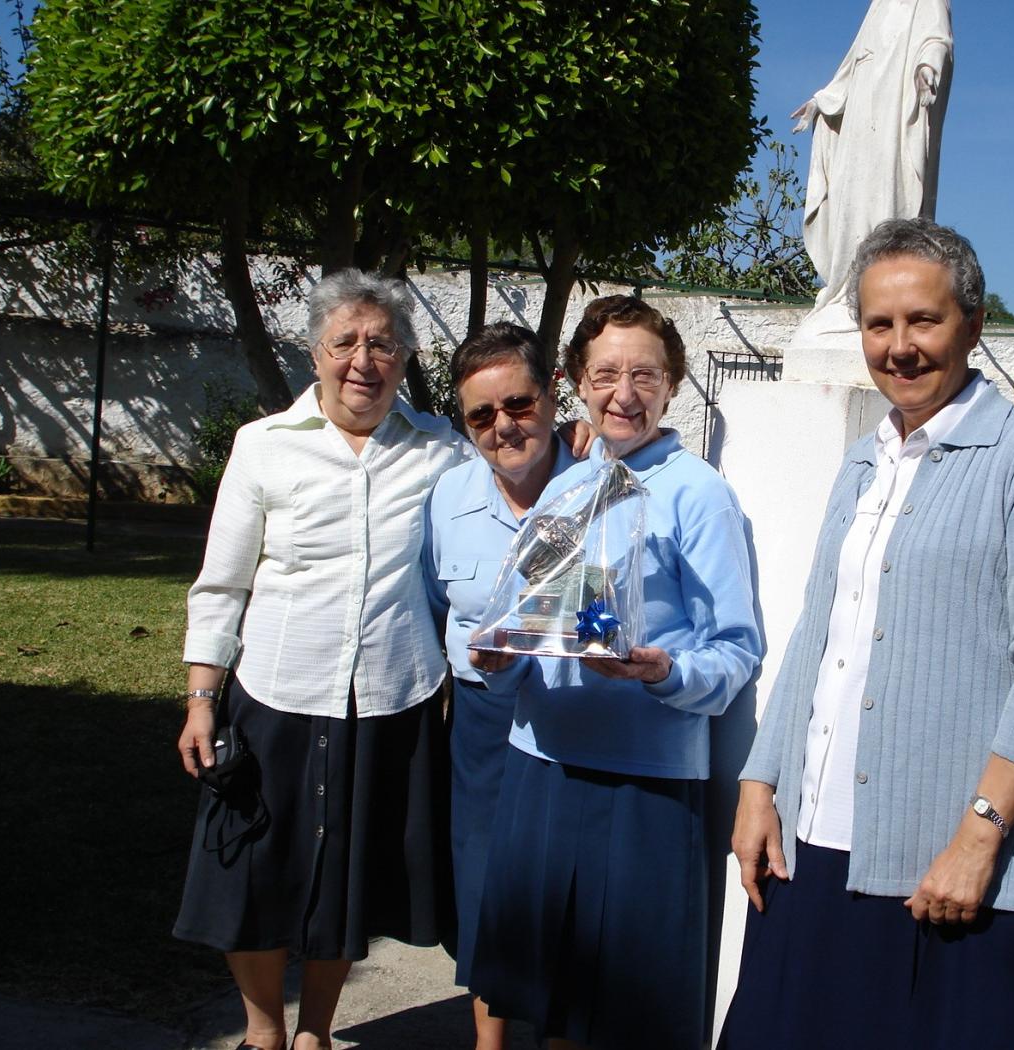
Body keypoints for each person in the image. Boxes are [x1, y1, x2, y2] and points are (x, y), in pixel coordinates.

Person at [719, 218, 1014, 1050]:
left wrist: (979, 836)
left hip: (941, 862)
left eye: (922, 320)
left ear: (973, 321)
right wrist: (758, 788)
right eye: (878, 324)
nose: (899, 347)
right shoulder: (863, 460)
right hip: (814, 846)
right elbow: (818, 630)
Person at [173, 269, 467, 1050]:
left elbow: (508, 493)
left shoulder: (441, 451)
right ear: (315, 353)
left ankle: (319, 1033)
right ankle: (265, 1028)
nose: (363, 360)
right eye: (346, 342)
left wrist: (566, 441)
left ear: (405, 357)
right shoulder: (263, 446)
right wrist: (203, 698)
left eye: (383, 343)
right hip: (274, 694)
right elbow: (223, 580)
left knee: (347, 876)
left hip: (388, 700)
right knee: (253, 873)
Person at [468, 296, 764, 1050]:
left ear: (673, 386)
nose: (623, 394)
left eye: (644, 375)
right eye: (605, 374)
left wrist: (665, 672)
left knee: (623, 1017)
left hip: (643, 785)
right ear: (575, 380)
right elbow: (525, 624)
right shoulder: (563, 490)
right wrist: (494, 661)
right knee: (548, 1006)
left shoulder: (699, 495)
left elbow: (735, 649)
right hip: (542, 770)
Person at [422, 323, 583, 1050]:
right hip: (484, 719)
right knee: (485, 882)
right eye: (480, 415)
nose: (503, 427)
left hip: (572, 714)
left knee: (564, 888)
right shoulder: (448, 496)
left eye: (517, 404)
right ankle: (489, 1043)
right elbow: (431, 601)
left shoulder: (600, 483)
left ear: (552, 395)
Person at [789, 0, 954, 349]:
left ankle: (877, 291)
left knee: (884, 203)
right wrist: (823, 100)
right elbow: (852, 65)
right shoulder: (879, 6)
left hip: (893, 124)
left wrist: (928, 68)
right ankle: (846, 292)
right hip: (860, 130)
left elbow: (937, 39)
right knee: (850, 206)